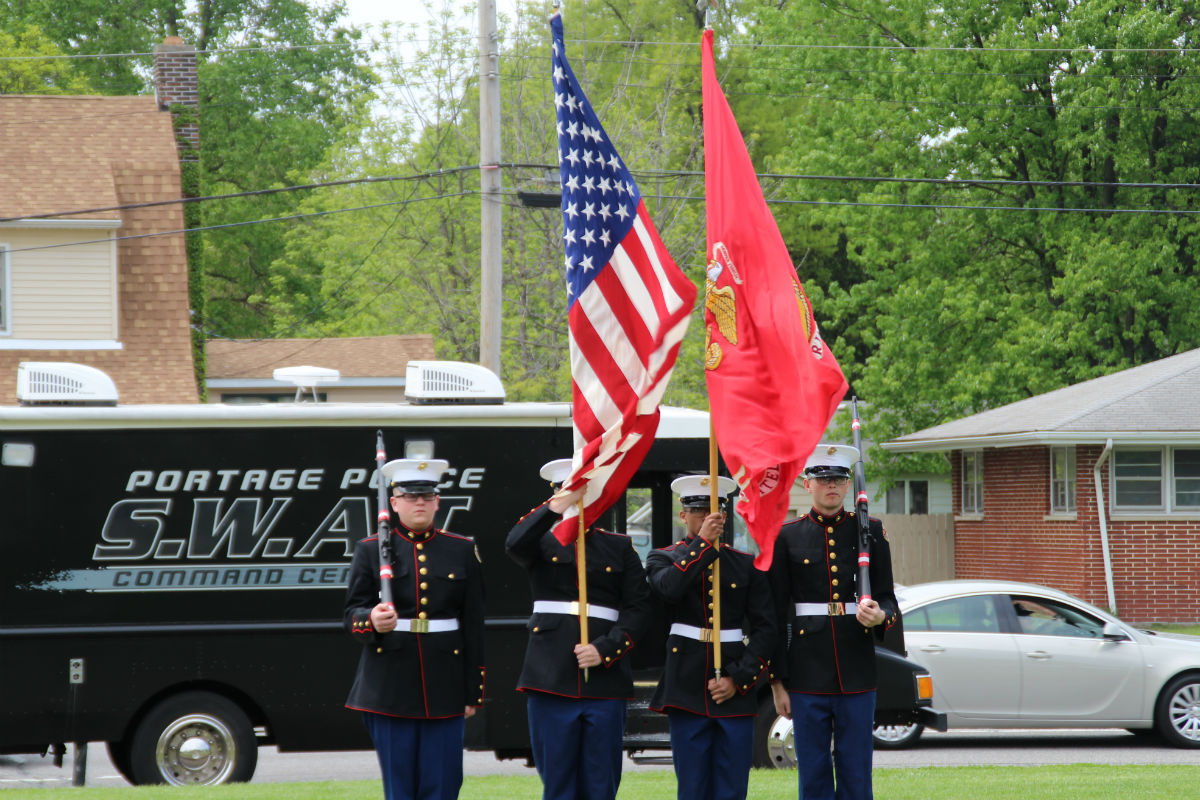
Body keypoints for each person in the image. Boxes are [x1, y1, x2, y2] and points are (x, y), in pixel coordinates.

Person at [504, 458, 652, 800]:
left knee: (601, 783)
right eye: (567, 491)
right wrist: (558, 505)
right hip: (550, 676)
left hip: (604, 679)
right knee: (558, 784)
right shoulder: (540, 542)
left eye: (582, 491)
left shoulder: (619, 546)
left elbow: (639, 608)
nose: (577, 499)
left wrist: (606, 648)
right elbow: (514, 543)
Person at [343, 458, 485, 800]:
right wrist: (372, 620)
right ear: (394, 503)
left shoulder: (461, 550)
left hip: (445, 684)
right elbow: (351, 614)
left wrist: (472, 692)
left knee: (444, 785)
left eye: (426, 496)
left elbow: (473, 626)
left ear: (437, 501)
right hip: (390, 685)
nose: (419, 502)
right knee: (401, 787)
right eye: (410, 496)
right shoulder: (370, 550)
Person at [768, 444, 899, 800]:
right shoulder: (787, 536)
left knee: (857, 772)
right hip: (807, 672)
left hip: (856, 669)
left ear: (847, 484)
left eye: (839, 478)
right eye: (823, 478)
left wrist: (880, 615)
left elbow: (888, 598)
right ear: (806, 484)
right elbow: (776, 615)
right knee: (813, 772)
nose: (832, 485)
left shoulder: (869, 531)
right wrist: (778, 682)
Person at [645, 475, 776, 800]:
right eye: (698, 510)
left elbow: (766, 629)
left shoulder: (746, 564)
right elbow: (669, 590)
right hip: (686, 683)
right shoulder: (663, 558)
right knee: (692, 787)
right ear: (683, 515)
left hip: (733, 683)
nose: (706, 517)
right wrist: (702, 545)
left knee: (732, 787)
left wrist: (738, 678)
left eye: (713, 511)